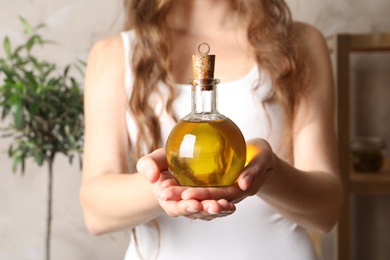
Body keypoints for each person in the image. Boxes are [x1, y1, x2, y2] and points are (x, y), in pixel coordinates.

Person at [80, 0, 344, 259]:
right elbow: (96, 213)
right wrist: (164, 186)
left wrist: (267, 173)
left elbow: (326, 212)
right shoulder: (116, 53)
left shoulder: (300, 42)